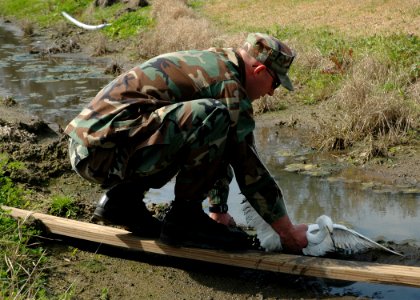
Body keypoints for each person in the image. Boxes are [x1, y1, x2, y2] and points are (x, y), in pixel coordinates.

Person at [65, 32, 308, 252]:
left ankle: (122, 202)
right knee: (214, 114)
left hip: (92, 149)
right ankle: (184, 221)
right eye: (275, 83)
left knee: (213, 123)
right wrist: (287, 231)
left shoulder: (219, 63)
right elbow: (248, 168)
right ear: (259, 71)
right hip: (100, 155)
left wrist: (218, 209)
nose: (272, 93)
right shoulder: (230, 87)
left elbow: (220, 146)